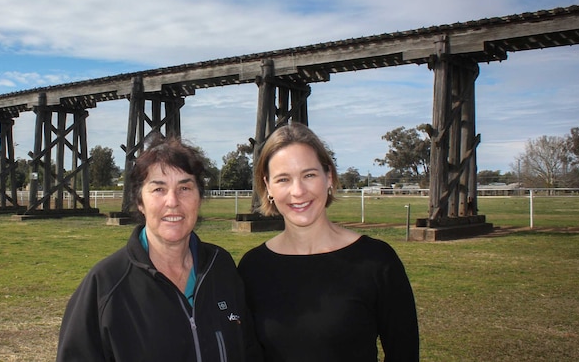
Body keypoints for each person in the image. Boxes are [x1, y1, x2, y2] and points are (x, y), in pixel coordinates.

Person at [56, 135, 261, 362]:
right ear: (140, 202)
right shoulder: (106, 284)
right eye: (158, 189)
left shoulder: (220, 266)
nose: (172, 201)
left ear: (199, 198)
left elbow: (248, 349)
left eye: (185, 187)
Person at [238, 122, 419, 362]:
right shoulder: (252, 267)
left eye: (309, 175)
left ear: (329, 177)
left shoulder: (377, 261)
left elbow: (403, 354)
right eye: (283, 179)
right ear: (268, 187)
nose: (298, 191)